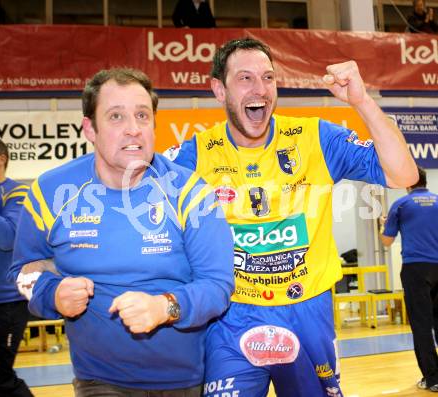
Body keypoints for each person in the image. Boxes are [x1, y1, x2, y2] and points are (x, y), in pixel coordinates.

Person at [165, 37, 418, 397]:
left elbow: (403, 174)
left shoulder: (314, 137)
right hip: (231, 317)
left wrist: (362, 101)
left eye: (268, 78)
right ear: (219, 90)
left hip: (308, 312)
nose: (261, 89)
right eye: (245, 79)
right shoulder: (194, 156)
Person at [8, 67, 234, 397]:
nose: (133, 130)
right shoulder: (51, 191)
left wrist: (165, 307)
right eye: (116, 116)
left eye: (142, 116)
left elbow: (218, 285)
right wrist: (52, 294)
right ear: (90, 128)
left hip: (186, 381)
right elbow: (22, 274)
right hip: (98, 381)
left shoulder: (189, 192)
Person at [380, 166, 438, 392]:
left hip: (416, 269)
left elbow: (386, 241)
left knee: (421, 325)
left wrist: (383, 224)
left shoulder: (401, 205)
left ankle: (433, 379)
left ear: (409, 182)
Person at [0, 139, 31, 397]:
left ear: (1, 159)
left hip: (6, 303)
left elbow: (8, 238)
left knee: (1, 377)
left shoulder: (16, 192)